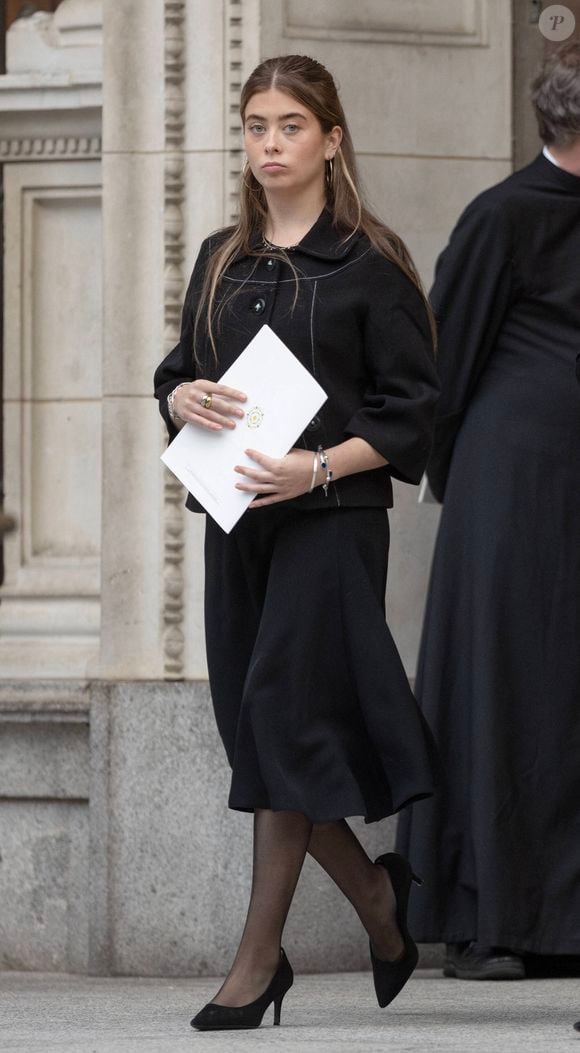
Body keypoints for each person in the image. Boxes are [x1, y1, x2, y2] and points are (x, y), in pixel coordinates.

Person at [154, 54, 440, 1031]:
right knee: (258, 736)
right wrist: (177, 394)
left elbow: (415, 416)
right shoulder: (217, 262)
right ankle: (376, 900)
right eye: (255, 126)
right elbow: (179, 376)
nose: (269, 143)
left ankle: (255, 963)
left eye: (288, 126)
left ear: (330, 138)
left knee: (277, 724)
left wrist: (315, 467)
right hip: (238, 523)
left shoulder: (371, 263)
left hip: (329, 524)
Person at [396, 42, 580, 981]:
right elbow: (446, 352)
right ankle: (489, 919)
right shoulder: (501, 213)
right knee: (505, 684)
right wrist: (445, 468)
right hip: (512, 491)